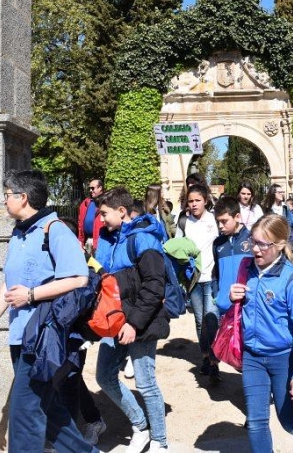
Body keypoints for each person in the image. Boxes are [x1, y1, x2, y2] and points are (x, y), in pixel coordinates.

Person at [0, 169, 97, 453]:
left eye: (7, 195)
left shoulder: (55, 230)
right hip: (21, 337)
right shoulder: (19, 234)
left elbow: (79, 278)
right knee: (49, 412)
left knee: (25, 416)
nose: (4, 201)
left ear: (23, 197)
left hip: (45, 338)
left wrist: (31, 294)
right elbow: (9, 283)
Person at [229, 214, 293, 453]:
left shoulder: (291, 280)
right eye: (252, 242)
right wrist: (229, 297)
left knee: (290, 423)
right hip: (252, 357)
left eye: (262, 244)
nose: (255, 249)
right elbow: (225, 306)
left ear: (278, 245)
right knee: (256, 423)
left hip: (282, 360)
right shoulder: (245, 268)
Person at [95, 187, 170, 453]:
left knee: (145, 383)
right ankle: (141, 426)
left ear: (122, 211)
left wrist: (134, 324)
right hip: (114, 322)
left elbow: (154, 286)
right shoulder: (108, 238)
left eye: (104, 213)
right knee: (104, 376)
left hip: (141, 323)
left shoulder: (143, 239)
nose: (101, 219)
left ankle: (160, 441)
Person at [58, 218, 107, 446]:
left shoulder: (88, 266)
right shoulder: (63, 261)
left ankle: (68, 439)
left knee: (69, 380)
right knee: (71, 379)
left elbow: (88, 302)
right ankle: (93, 420)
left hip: (78, 334)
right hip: (66, 333)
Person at [175, 183, 219, 380]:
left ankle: (215, 360)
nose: (193, 204)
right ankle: (206, 358)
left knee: (211, 319)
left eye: (197, 200)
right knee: (200, 321)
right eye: (190, 201)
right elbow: (177, 246)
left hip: (212, 277)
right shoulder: (183, 222)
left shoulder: (215, 219)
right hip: (193, 280)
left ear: (205, 201)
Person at [78, 178, 105, 252]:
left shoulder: (106, 202)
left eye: (93, 188)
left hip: (101, 241)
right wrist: (80, 240)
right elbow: (80, 223)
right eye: (90, 188)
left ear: (100, 188)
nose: (90, 190)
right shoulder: (85, 203)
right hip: (88, 240)